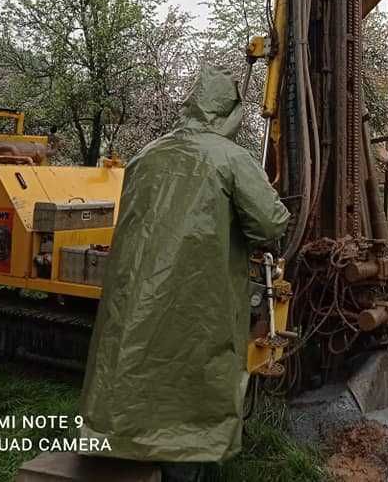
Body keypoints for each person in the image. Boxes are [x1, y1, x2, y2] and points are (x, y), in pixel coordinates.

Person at [80, 64, 290, 482]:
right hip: (198, 297)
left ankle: (122, 447)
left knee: (134, 366)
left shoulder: (146, 155)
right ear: (230, 114)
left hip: (134, 293)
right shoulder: (230, 158)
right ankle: (186, 465)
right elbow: (269, 224)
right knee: (192, 382)